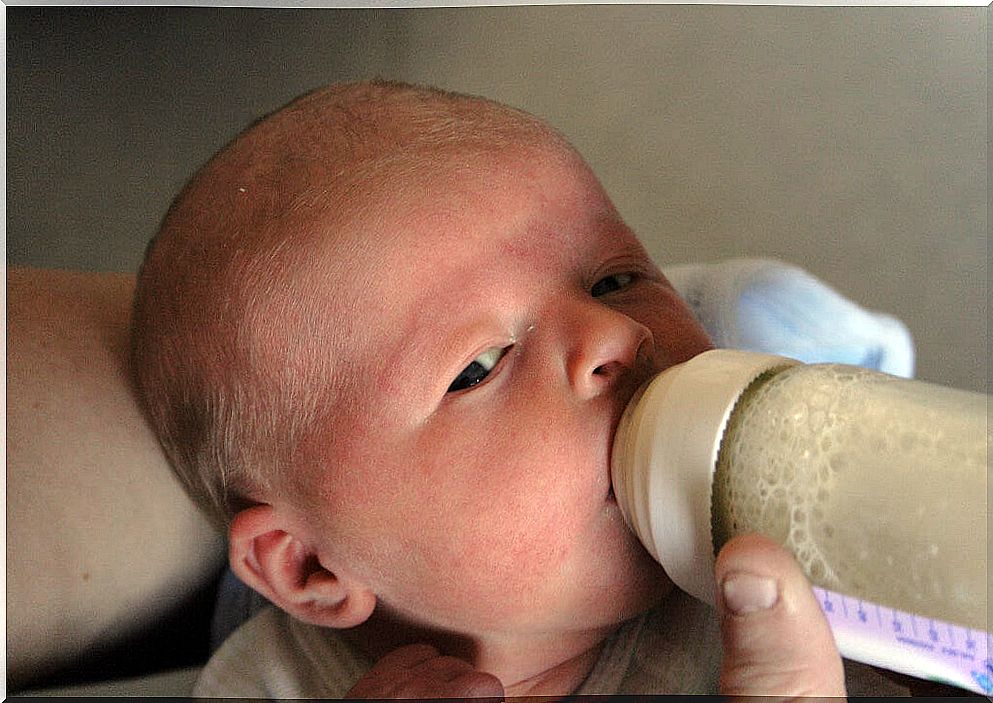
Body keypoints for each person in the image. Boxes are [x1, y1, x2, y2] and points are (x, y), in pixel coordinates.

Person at [131, 79, 902, 698]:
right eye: (479, 366)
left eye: (616, 278)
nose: (612, 333)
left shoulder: (783, 552)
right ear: (310, 568)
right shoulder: (268, 684)